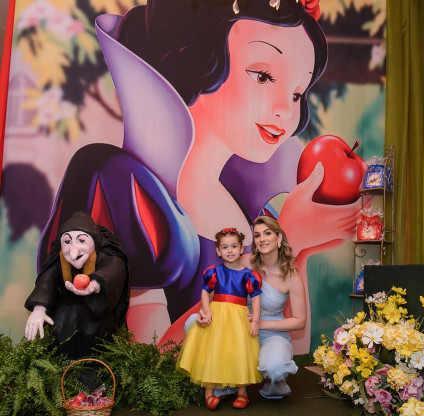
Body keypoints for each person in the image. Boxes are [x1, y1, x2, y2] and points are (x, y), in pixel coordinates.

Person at [38, 0, 360, 351]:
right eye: (263, 76)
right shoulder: (123, 185)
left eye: (298, 92)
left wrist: (297, 254)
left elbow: (286, 348)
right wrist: (288, 244)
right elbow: (148, 360)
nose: (287, 109)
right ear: (196, 59)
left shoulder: (259, 215)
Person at [193, 216, 304, 399]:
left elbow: (300, 321)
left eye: (267, 233)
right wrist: (203, 312)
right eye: (258, 235)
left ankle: (272, 379)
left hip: (272, 332)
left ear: (279, 238)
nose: (262, 239)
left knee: (275, 367)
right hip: (237, 327)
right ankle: (229, 381)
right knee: (192, 323)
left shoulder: (291, 275)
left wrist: (261, 323)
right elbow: (215, 293)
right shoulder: (243, 261)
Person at [24, 211, 130, 359]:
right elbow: (46, 281)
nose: (73, 253)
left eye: (81, 241)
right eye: (67, 242)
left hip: (98, 326)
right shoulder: (59, 259)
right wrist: (39, 309)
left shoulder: (109, 256)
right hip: (63, 324)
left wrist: (95, 284)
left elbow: (114, 272)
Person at [177, 228, 263, 410]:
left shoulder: (249, 275)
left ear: (242, 249)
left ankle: (242, 392)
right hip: (217, 316)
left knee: (239, 352)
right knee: (213, 352)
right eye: (225, 247)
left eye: (234, 246)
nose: (230, 250)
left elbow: (255, 299)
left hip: (238, 317)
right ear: (218, 251)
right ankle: (209, 394)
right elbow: (205, 292)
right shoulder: (214, 272)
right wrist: (206, 310)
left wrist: (255, 320)